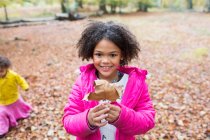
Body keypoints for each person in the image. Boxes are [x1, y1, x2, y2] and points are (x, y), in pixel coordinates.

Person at [62, 21, 155, 140]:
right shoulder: (82, 82)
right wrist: (88, 119)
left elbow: (148, 120)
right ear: (91, 54)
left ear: (122, 55)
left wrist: (123, 117)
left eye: (112, 55)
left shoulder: (135, 83)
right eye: (99, 55)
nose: (105, 61)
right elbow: (68, 121)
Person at [0, 55, 32, 137]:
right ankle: (2, 129)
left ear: (6, 68)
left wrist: (25, 86)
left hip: (14, 98)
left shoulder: (13, 75)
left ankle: (23, 114)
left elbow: (21, 80)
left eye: (1, 71)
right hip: (2, 101)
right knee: (1, 114)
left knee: (19, 107)